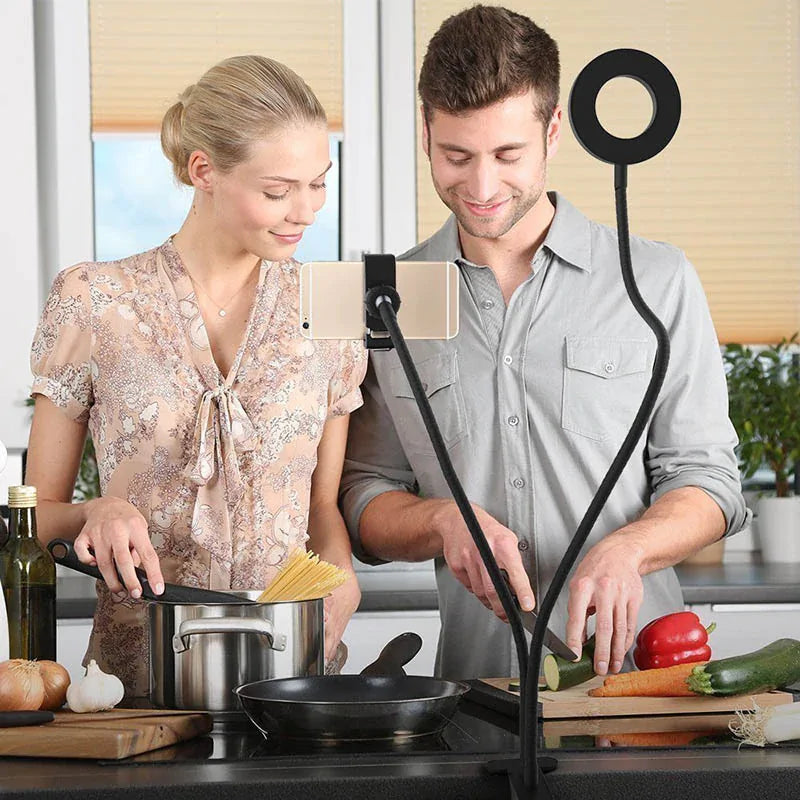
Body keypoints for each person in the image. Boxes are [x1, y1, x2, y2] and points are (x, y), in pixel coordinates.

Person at [340, 6, 749, 681]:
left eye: (507, 155)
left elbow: (709, 480)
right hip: (473, 700)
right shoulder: (388, 296)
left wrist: (631, 548)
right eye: (456, 155)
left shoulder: (654, 278)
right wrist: (442, 520)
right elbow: (364, 493)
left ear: (553, 131)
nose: (480, 187)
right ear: (425, 133)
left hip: (643, 688)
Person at [26, 55, 367, 696]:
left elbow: (322, 505)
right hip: (136, 687)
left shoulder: (334, 306)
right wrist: (97, 511)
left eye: (319, 183)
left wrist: (340, 572)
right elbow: (29, 521)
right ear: (202, 169)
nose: (306, 211)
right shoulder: (94, 299)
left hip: (289, 677)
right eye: (277, 190)